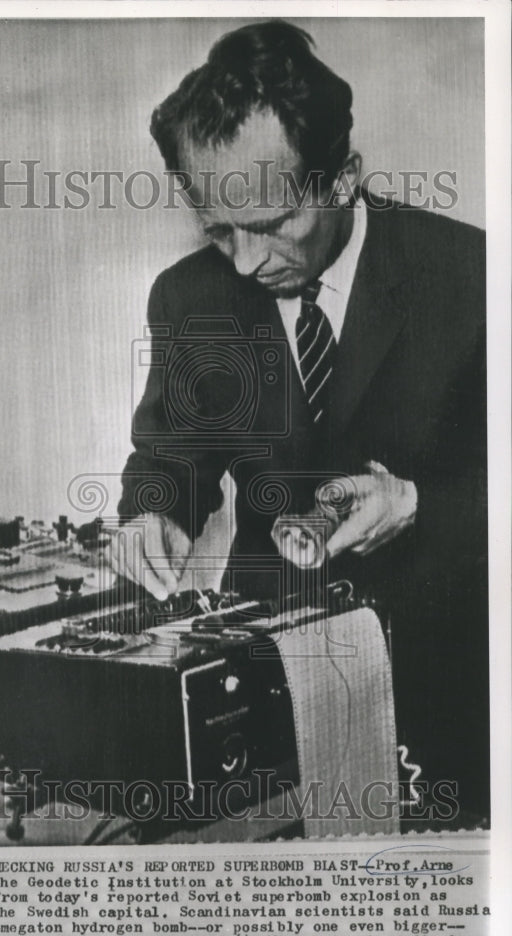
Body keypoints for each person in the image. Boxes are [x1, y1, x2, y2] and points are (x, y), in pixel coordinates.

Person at [113, 20, 488, 819]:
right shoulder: (191, 299)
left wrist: (423, 504)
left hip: (452, 684)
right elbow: (171, 458)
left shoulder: (477, 282)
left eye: (272, 225)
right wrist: (154, 511)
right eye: (219, 230)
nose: (246, 264)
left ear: (344, 178)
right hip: (268, 687)